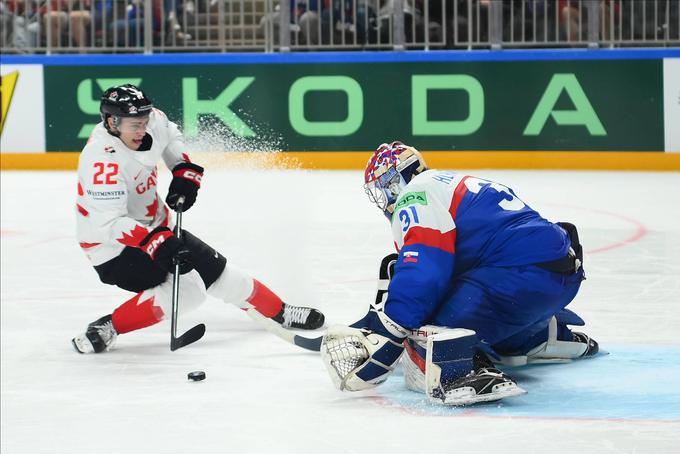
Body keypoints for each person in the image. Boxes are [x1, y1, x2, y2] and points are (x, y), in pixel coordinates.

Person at [320, 141, 599, 406]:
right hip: (561, 275)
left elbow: (425, 267)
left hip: (518, 276)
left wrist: (393, 326)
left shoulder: (413, 195)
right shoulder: (448, 182)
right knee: (474, 315)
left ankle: (461, 373)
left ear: (394, 182)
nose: (384, 201)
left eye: (383, 190)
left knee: (422, 329)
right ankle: (539, 335)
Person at [72, 84, 324, 354]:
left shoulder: (152, 120)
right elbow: (109, 224)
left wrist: (182, 169)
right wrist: (153, 240)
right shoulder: (101, 161)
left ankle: (279, 311)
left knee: (219, 273)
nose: (142, 129)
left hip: (155, 228)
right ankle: (110, 326)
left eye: (144, 122)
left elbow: (171, 136)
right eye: (135, 125)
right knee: (190, 291)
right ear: (112, 122)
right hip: (113, 250)